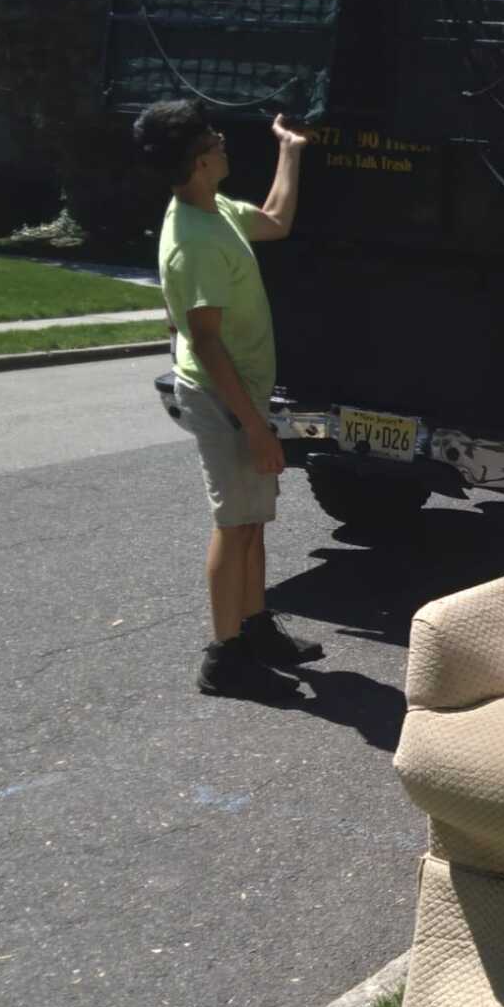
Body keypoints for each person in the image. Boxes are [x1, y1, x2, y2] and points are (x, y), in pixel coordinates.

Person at [133, 99, 322, 700]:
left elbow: (274, 219)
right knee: (234, 523)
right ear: (197, 160)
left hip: (241, 395)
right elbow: (208, 345)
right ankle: (225, 657)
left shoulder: (213, 211)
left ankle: (255, 626)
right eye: (212, 137)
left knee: (254, 519)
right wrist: (256, 429)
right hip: (222, 397)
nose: (222, 141)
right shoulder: (193, 241)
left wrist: (289, 150)